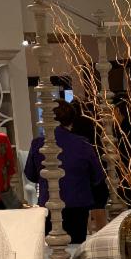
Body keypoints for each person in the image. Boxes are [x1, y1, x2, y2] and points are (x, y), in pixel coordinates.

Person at [24, 101, 108, 245]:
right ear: (71, 120)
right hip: (77, 203)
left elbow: (30, 174)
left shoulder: (38, 143)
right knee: (76, 246)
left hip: (49, 202)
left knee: (53, 248)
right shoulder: (83, 144)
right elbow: (97, 176)